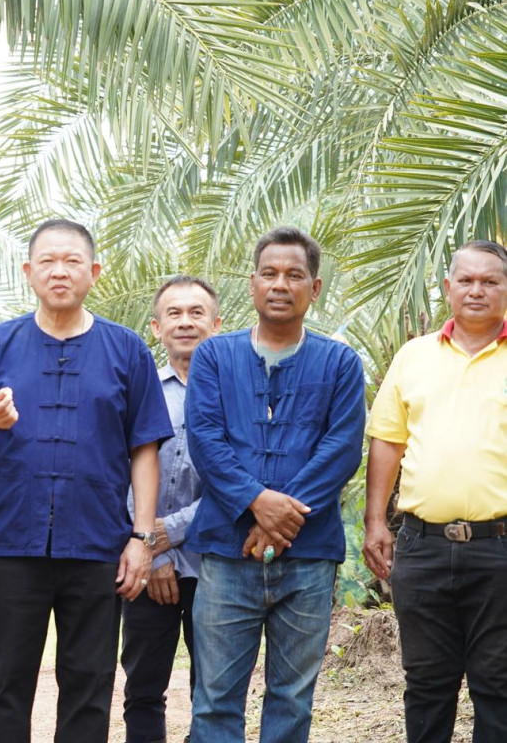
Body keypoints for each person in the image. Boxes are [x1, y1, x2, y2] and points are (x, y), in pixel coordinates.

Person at [0, 219, 171, 742]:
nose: (59, 271)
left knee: (89, 682)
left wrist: (141, 539)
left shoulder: (126, 349)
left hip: (96, 543)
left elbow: (144, 449)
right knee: (5, 682)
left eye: (72, 261)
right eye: (47, 261)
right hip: (13, 543)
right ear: (29, 272)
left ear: (94, 272)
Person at [184, 226, 365, 743]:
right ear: (252, 284)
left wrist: (277, 521)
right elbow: (205, 440)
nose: (280, 284)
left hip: (308, 556)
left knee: (292, 699)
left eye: (294, 275)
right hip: (226, 552)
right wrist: (256, 501)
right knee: (215, 700)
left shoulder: (340, 362)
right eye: (269, 273)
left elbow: (341, 449)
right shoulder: (214, 357)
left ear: (315, 287)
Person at [363, 239, 507, 743]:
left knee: (499, 685)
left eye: (490, 281)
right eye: (466, 280)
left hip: (500, 549)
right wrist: (375, 521)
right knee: (427, 684)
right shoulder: (414, 356)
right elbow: (387, 441)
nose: (476, 290)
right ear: (447, 287)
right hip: (422, 547)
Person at [121, 276, 220, 743]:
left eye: (196, 313)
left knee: (214, 690)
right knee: (143, 689)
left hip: (215, 564)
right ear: (156, 328)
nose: (185, 322)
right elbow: (118, 472)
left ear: (216, 324)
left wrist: (169, 534)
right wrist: (153, 550)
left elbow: (237, 484)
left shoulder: (233, 394)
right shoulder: (137, 391)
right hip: (141, 563)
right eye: (174, 314)